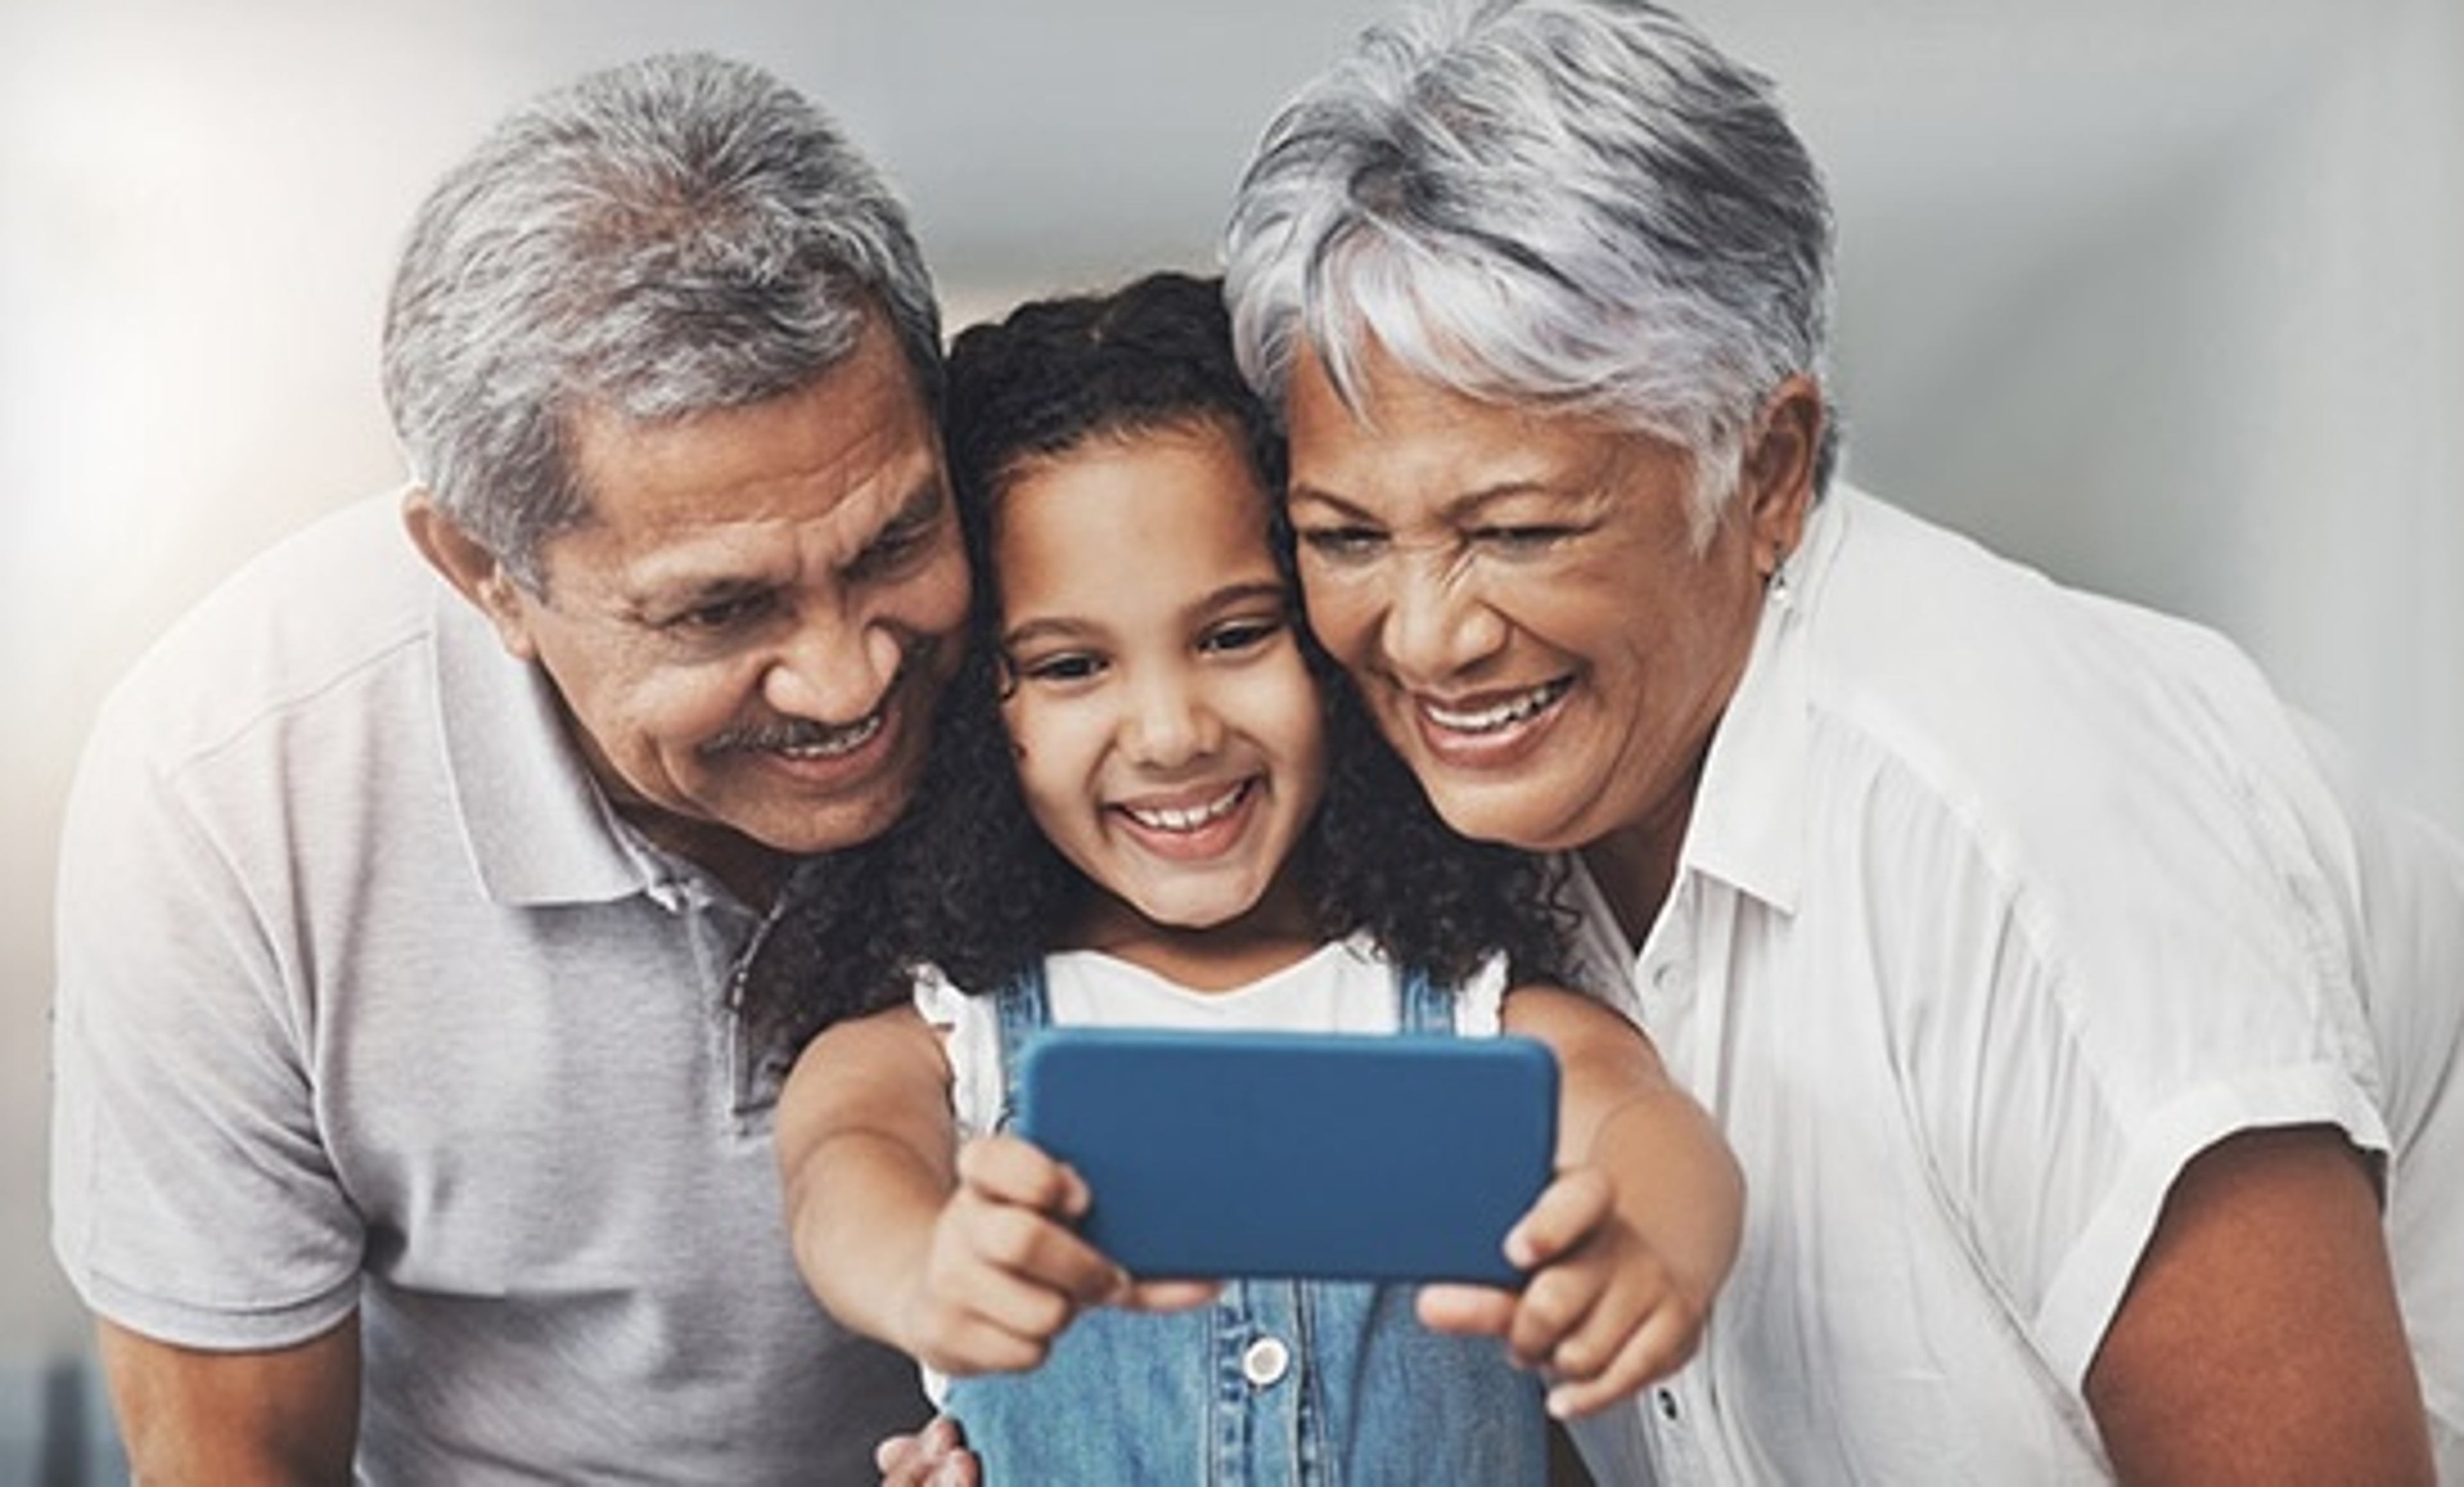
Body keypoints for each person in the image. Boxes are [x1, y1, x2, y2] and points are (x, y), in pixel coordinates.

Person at [1209, 0, 2464, 1480]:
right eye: (1345, 537)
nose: (1423, 636)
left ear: (1770, 471)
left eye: (1520, 530)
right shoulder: (1455, 819)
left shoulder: (2026, 819)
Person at [49, 53, 967, 1482]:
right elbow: (238, 1462)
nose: (850, 679)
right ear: (486, 571)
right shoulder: (230, 787)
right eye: (721, 609)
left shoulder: (1099, 623)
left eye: (893, 543)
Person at [747, 270, 1744, 1483]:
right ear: (973, 708)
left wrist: (1649, 1245)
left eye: (1234, 635)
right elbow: (840, 1160)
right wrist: (925, 1267)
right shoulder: (956, 1038)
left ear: (1331, 631)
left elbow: (1644, 1121)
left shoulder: (1469, 1014)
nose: (1170, 730)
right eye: (1069, 666)